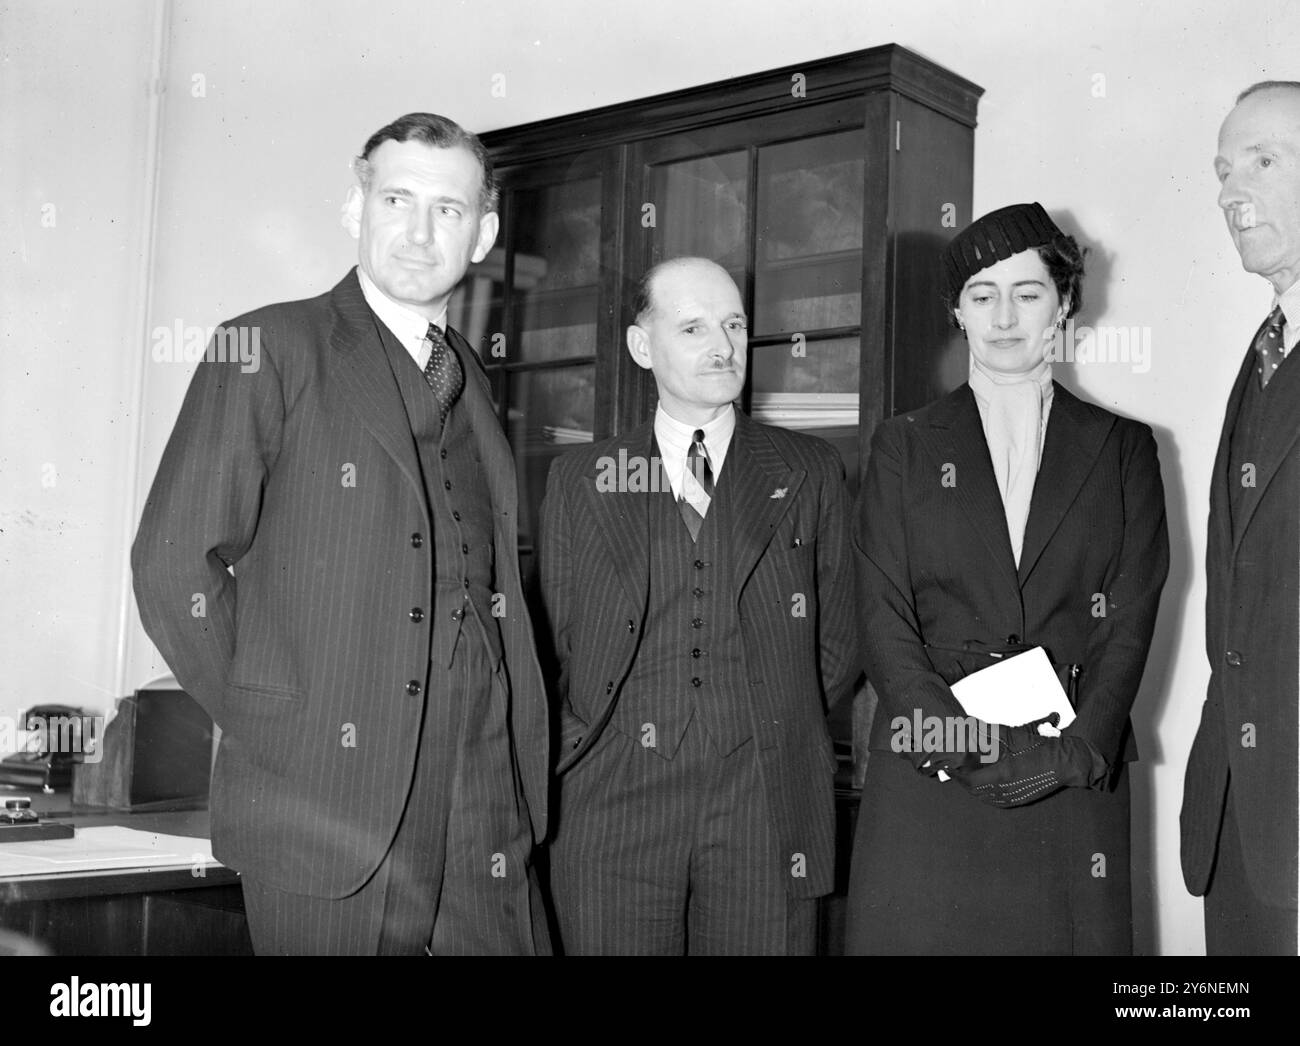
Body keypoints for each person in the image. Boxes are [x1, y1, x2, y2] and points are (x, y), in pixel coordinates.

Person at [131, 113, 550, 955]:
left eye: (448, 208)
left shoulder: (468, 377)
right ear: (355, 209)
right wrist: (283, 727)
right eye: (396, 199)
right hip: (323, 805)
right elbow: (174, 564)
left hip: (486, 799)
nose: (420, 230)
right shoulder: (269, 346)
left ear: (484, 233)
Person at [846, 203, 1169, 955]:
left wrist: (1076, 751)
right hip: (935, 777)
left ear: (1063, 303)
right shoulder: (903, 445)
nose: (1003, 315)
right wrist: (964, 743)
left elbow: (1131, 615)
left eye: (1026, 292)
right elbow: (882, 616)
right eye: (981, 295)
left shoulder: (1124, 450)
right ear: (957, 312)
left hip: (1069, 782)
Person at [538, 257, 859, 955]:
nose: (723, 345)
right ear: (642, 346)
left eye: (734, 324)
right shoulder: (580, 480)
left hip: (763, 801)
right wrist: (584, 753)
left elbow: (838, 639)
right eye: (693, 327)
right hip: (611, 801)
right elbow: (557, 639)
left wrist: (765, 720)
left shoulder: (809, 470)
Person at [1181, 81, 1300, 956]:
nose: (1230, 192)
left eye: (1263, 161)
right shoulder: (1262, 356)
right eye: (1224, 171)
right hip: (1243, 821)